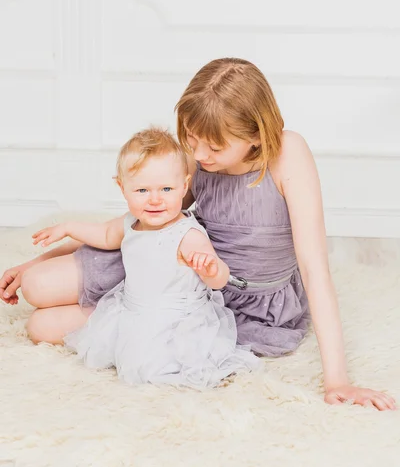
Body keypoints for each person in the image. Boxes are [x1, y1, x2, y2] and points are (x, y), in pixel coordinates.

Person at [0, 58, 395, 408]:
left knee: (46, 326)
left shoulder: (288, 155)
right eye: (191, 139)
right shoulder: (202, 151)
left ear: (255, 135)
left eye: (214, 148)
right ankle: (106, 302)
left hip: (223, 293)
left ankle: (121, 323)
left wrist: (337, 379)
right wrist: (39, 258)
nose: (200, 156)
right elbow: (140, 218)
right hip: (171, 255)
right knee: (36, 286)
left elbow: (314, 269)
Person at [29, 128, 260, 387]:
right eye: (142, 190)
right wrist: (68, 227)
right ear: (122, 187)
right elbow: (105, 234)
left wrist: (210, 268)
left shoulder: (187, 234)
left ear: (184, 186)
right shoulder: (132, 222)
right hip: (130, 310)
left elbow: (219, 280)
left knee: (151, 364)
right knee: (38, 327)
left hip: (172, 326)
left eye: (166, 188)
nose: (155, 200)